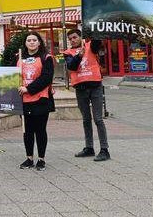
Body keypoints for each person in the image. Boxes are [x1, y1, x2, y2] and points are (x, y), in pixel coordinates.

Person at [63, 29, 109, 162]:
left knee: (98, 119)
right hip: (81, 89)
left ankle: (104, 149)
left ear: (80, 37)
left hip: (95, 87)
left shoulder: (90, 46)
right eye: (70, 38)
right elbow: (72, 67)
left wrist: (93, 29)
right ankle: (89, 148)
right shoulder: (68, 53)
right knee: (86, 119)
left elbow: (97, 42)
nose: (73, 40)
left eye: (75, 37)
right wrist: (78, 56)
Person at [17, 32, 55, 171]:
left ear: (39, 42)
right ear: (25, 43)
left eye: (35, 40)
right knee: (27, 131)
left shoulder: (46, 58)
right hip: (24, 100)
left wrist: (28, 89)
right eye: (29, 40)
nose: (32, 42)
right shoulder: (20, 58)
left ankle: (41, 159)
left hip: (41, 99)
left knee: (40, 130)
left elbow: (46, 78)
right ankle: (29, 158)